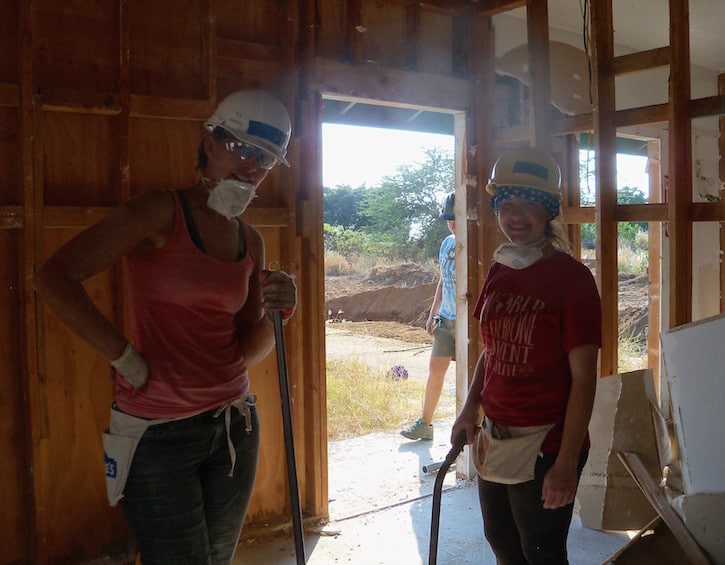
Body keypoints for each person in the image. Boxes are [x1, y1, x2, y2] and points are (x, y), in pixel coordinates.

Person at [34, 89, 298, 564]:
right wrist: (122, 354)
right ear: (211, 141)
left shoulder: (250, 240)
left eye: (266, 160)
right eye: (242, 149)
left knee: (217, 560)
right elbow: (54, 277)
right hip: (158, 436)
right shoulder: (160, 212)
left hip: (234, 426)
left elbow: (244, 349)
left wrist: (283, 313)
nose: (253, 168)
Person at [450, 147, 602, 564]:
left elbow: (585, 379)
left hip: (547, 442)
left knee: (542, 554)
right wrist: (469, 410)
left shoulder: (572, 280)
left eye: (528, 203)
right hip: (495, 434)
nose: (515, 215)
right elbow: (491, 352)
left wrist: (567, 463)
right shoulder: (501, 270)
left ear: (549, 210)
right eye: (506, 204)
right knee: (502, 544)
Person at [401, 193, 457, 441]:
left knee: (473, 377)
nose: (452, 224)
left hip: (469, 322)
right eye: (448, 219)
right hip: (446, 318)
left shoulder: (476, 246)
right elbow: (444, 280)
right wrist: (433, 313)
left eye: (456, 218)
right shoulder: (446, 244)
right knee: (436, 369)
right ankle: (425, 424)